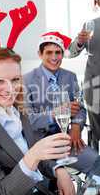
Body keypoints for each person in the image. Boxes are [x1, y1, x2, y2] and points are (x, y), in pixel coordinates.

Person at [0, 2, 76, 195]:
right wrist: (33, 154)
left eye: (15, 80)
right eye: (0, 81)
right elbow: (1, 190)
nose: (10, 89)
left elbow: (42, 158)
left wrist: (58, 169)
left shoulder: (20, 113)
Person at [23, 31, 98, 173]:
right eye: (49, 52)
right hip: (39, 146)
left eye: (58, 52)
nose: (54, 57)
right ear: (40, 54)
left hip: (67, 141)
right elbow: (28, 120)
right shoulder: (26, 80)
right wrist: (55, 113)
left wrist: (76, 127)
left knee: (97, 164)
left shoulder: (70, 77)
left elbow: (80, 108)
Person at [69, 0, 100, 151]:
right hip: (94, 84)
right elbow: (71, 52)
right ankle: (96, 162)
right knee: (96, 126)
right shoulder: (90, 25)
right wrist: (80, 42)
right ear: (97, 2)